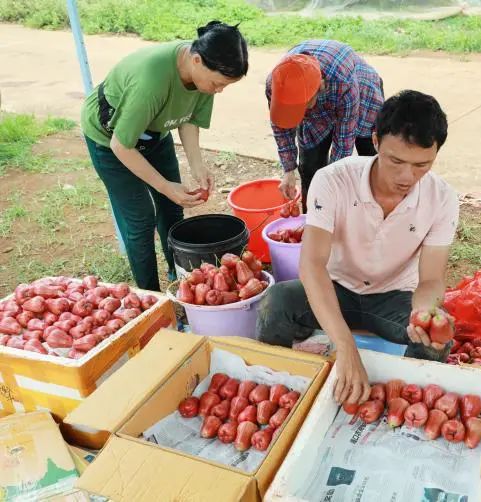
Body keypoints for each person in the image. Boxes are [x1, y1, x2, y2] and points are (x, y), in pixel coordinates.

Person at [257, 91, 460, 405]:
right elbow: (312, 265)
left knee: (435, 340)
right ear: (376, 142)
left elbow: (431, 278)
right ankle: (275, 386)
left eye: (423, 165)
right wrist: (345, 348)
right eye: (396, 161)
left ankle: (402, 404)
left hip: (394, 298)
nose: (408, 177)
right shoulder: (333, 181)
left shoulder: (442, 197)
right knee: (277, 302)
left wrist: (423, 313)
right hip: (337, 288)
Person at [81, 21, 248, 291]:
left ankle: (178, 278)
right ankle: (151, 295)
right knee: (140, 218)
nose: (218, 90)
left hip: (154, 134)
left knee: (172, 208)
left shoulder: (203, 76)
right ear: (196, 60)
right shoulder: (152, 79)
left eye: (224, 86)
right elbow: (121, 145)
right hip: (110, 140)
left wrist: (197, 165)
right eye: (218, 83)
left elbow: (189, 118)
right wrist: (163, 185)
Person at [266, 40, 384, 211]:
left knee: (369, 156)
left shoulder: (344, 84)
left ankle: (372, 212)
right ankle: (310, 217)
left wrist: (333, 185)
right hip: (323, 98)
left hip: (363, 93)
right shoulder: (276, 82)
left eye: (301, 107)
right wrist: (288, 170)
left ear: (319, 88)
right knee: (309, 167)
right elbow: (281, 126)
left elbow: (344, 143)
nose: (301, 115)